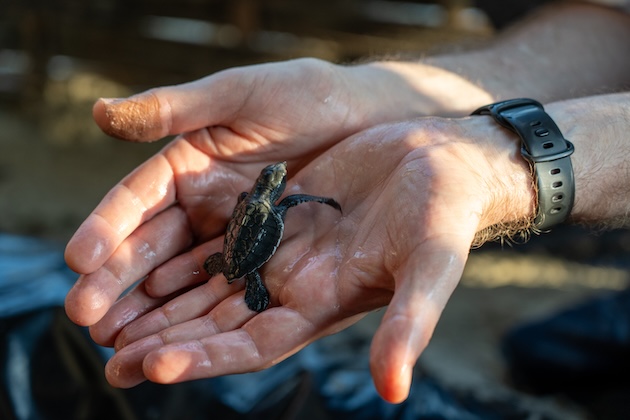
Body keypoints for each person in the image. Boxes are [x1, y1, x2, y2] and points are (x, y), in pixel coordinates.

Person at [63, 2, 630, 404]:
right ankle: (242, 279)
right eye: (278, 181)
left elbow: (271, 203)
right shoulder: (273, 202)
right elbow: (614, 24)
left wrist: (492, 163)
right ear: (271, 189)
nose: (283, 183)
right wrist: (380, 95)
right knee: (243, 274)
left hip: (240, 247)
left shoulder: (262, 202)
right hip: (247, 252)